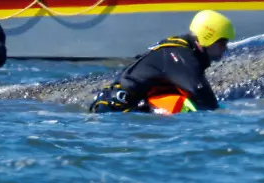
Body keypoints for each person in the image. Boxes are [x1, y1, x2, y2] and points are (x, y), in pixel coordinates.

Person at [88, 10, 235, 114]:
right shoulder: (180, 55)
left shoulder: (179, 49)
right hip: (116, 112)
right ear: (208, 38)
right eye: (222, 43)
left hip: (125, 109)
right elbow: (202, 96)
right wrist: (225, 116)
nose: (225, 48)